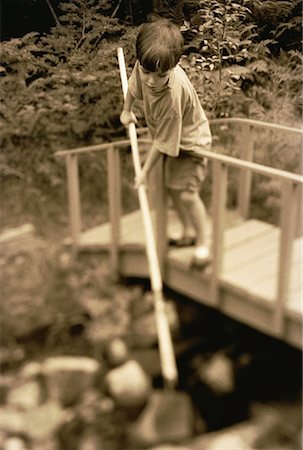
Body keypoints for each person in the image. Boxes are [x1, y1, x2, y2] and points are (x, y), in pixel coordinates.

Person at [120, 19, 212, 267]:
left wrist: (144, 173)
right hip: (170, 138)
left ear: (173, 66)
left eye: (160, 75)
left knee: (187, 193)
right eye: (147, 71)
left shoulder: (172, 96)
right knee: (173, 189)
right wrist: (127, 111)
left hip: (192, 143)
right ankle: (187, 233)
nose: (151, 80)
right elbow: (133, 85)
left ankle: (203, 245)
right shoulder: (145, 66)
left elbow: (161, 143)